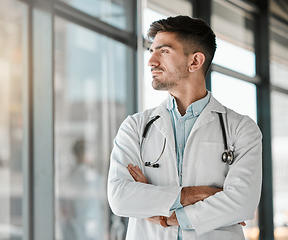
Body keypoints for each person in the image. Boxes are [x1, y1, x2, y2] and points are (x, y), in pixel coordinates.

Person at [107, 15, 262, 240]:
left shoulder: (241, 129)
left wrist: (165, 215)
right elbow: (120, 198)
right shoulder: (135, 127)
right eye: (152, 51)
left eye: (164, 51)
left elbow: (241, 202)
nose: (151, 61)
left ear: (195, 62)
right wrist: (197, 195)